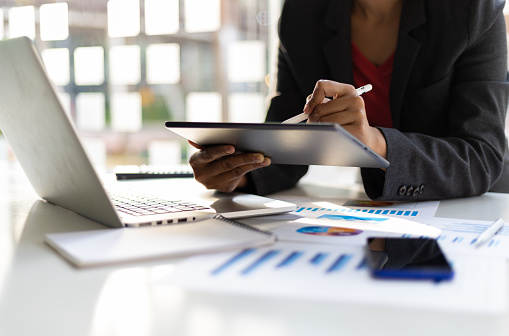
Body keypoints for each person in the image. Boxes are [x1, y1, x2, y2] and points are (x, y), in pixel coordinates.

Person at [189, 0, 509, 201]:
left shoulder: (473, 10)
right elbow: (287, 135)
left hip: (468, 213)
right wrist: (238, 172)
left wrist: (374, 142)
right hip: (369, 216)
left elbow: (483, 156)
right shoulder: (301, 15)